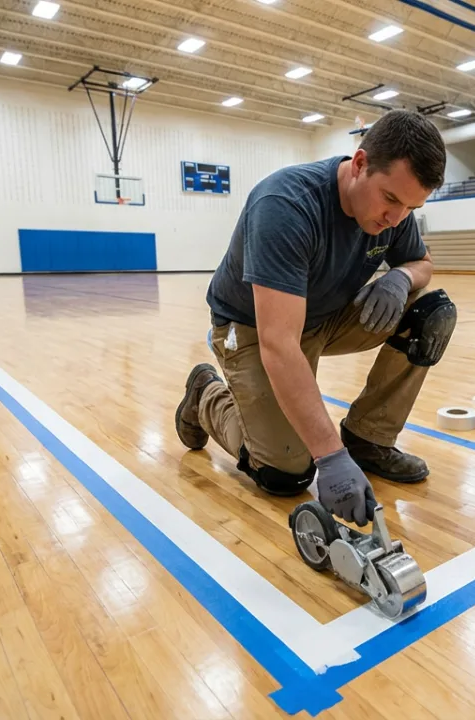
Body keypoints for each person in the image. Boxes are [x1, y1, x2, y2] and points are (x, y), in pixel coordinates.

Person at [174, 109, 457, 528]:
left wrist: (401, 276)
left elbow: (422, 262)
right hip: (253, 328)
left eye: (411, 207)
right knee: (284, 473)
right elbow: (279, 343)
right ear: (359, 163)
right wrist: (330, 456)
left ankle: (369, 438)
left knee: (430, 312)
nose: (396, 219)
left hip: (326, 315)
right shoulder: (286, 205)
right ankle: (206, 397)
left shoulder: (393, 211)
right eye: (391, 200)